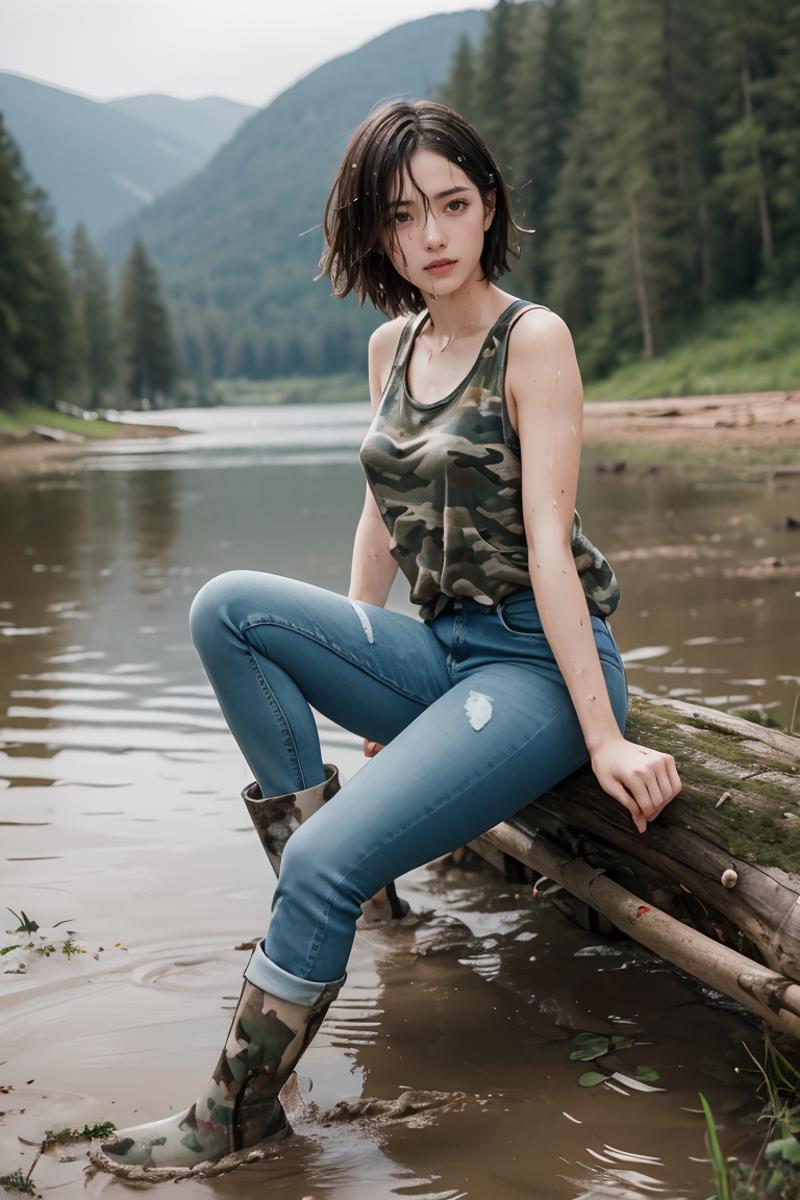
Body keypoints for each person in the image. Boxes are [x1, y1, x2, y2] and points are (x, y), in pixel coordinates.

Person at [97, 98, 681, 1174]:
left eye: (453, 205)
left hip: (535, 669)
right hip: (442, 652)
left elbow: (550, 549)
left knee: (315, 860)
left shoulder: (531, 338)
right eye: (404, 216)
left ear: (487, 205)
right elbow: (381, 512)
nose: (432, 236)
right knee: (227, 605)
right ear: (375, 231)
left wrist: (603, 741)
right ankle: (362, 894)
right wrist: (366, 662)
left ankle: (235, 1117)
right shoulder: (392, 343)